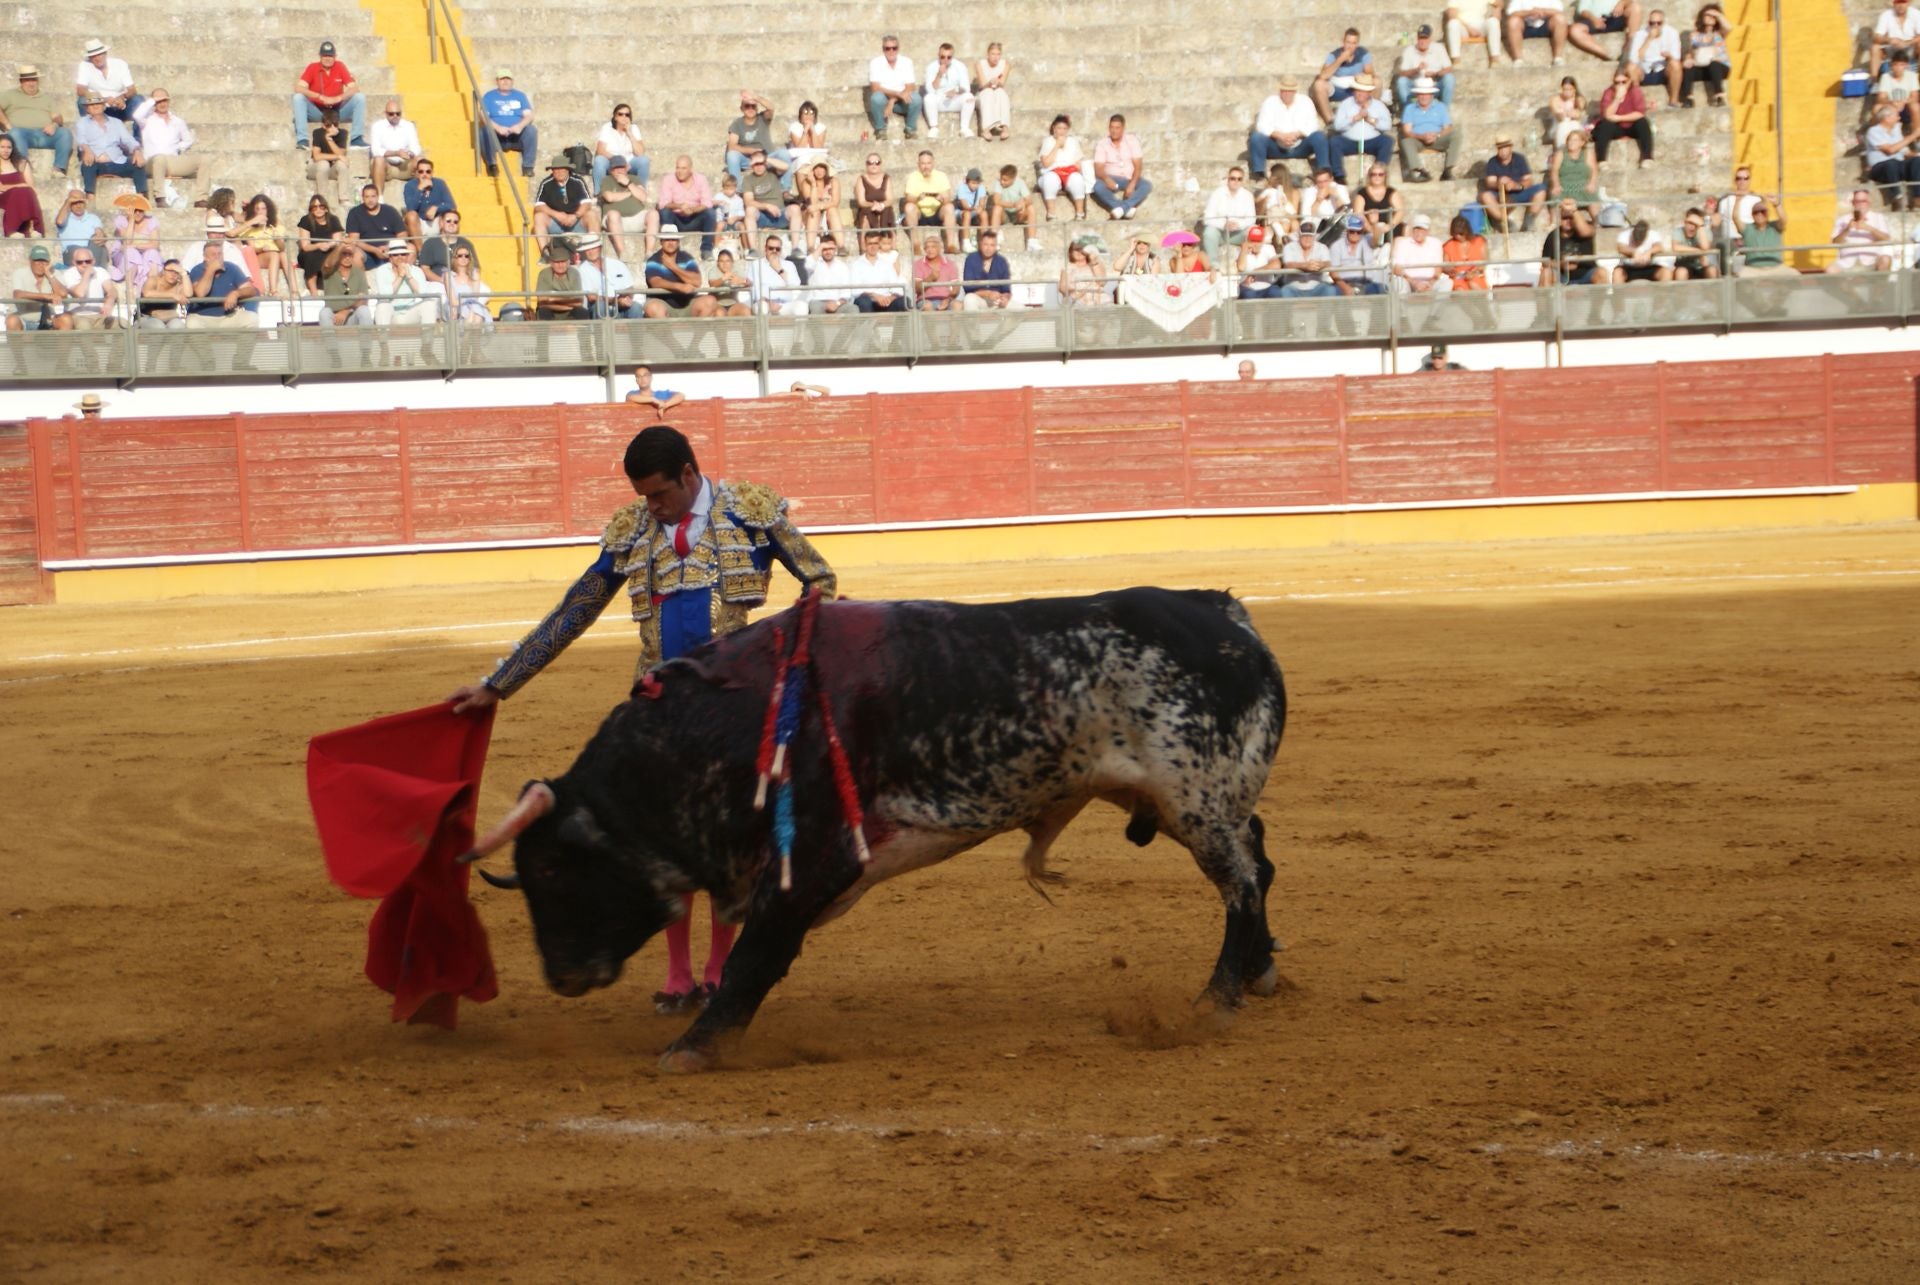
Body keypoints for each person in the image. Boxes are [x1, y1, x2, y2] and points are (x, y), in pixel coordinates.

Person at [448, 426, 837, 1016]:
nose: (650, 506)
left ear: (688, 474)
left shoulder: (750, 511)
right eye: (643, 496)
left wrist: (782, 653)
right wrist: (498, 683)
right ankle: (678, 975)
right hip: (656, 715)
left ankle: (718, 971)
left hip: (734, 711)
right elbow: (577, 608)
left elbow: (820, 582)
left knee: (726, 838)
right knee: (661, 840)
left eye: (659, 494)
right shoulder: (632, 528)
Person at [1249, 74, 1330, 177]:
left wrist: (1298, 134)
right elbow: (1261, 125)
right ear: (1280, 90)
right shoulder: (1270, 102)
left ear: (1295, 91)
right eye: (1284, 90)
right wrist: (1279, 135)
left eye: (1290, 91)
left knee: (1319, 136)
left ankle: (1324, 170)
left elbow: (1313, 124)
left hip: (1300, 145)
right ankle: (1258, 174)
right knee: (1256, 138)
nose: (1287, 93)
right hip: (1276, 146)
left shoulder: (1305, 102)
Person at [1, 66, 73, 179]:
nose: (31, 83)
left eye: (34, 80)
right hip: (21, 134)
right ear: (21, 81)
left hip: (44, 134)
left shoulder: (46, 98)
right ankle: (22, 170)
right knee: (15, 133)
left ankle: (58, 169)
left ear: (38, 81)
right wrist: (7, 124)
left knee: (65, 133)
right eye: (27, 80)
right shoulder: (10, 95)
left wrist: (54, 125)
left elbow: (58, 117)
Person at [292, 40, 364, 149]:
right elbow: (298, 88)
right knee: (298, 98)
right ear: (320, 56)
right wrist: (319, 97)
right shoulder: (312, 67)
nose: (327, 58)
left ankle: (356, 139)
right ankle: (302, 140)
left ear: (335, 57)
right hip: (318, 111)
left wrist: (337, 98)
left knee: (359, 97)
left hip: (337, 111)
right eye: (325, 55)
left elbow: (354, 88)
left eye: (330, 56)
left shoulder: (340, 66)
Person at [75, 94, 145, 197]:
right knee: (87, 164)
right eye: (92, 104)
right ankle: (90, 197)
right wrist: (87, 150)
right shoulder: (82, 123)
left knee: (138, 163)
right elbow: (81, 140)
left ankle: (141, 196)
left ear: (104, 106)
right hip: (96, 162)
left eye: (98, 103)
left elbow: (128, 140)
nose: (95, 106)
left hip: (117, 161)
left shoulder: (116, 122)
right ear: (87, 109)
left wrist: (137, 150)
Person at [139, 89, 198, 208]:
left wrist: (178, 147)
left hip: (171, 161)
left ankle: (201, 199)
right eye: (158, 101)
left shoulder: (178, 121)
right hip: (152, 162)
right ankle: (160, 197)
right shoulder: (147, 120)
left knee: (203, 161)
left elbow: (188, 140)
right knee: (160, 158)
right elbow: (137, 115)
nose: (162, 103)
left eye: (164, 100)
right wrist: (151, 101)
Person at [643, 225, 716, 318]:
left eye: (673, 240)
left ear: (678, 242)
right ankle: (666, 328)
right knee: (653, 307)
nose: (670, 243)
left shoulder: (686, 258)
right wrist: (679, 287)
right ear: (661, 242)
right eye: (667, 240)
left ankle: (697, 327)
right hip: (663, 303)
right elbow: (656, 282)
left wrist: (673, 267)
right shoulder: (653, 260)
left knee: (710, 301)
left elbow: (697, 281)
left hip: (687, 303)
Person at [1480, 133, 1548, 231]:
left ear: (1510, 147)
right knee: (1485, 196)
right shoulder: (1493, 162)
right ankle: (1504, 222)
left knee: (1541, 189)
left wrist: (1517, 185)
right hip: (1501, 194)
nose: (1502, 151)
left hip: (1519, 192)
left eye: (1505, 147)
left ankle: (1529, 222)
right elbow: (1490, 183)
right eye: (1500, 148)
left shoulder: (1519, 159)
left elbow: (1529, 180)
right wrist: (1499, 183)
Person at [478, 69, 538, 180]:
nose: (505, 82)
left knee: (531, 130)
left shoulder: (520, 96)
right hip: (496, 136)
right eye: (502, 79)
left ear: (512, 81)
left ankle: (528, 167)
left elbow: (529, 115)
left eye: (508, 79)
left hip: (516, 135)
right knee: (484, 131)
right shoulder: (489, 96)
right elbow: (483, 116)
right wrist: (498, 128)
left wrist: (519, 126)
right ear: (497, 81)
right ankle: (492, 165)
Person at [184, 239, 257, 329]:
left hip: (229, 316)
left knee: (252, 318)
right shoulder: (197, 270)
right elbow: (200, 293)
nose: (217, 257)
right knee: (192, 324)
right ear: (205, 257)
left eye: (220, 254)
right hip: (202, 317)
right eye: (213, 255)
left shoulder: (232, 268)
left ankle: (244, 340)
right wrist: (211, 270)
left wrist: (236, 293)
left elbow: (251, 290)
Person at [367, 238, 441, 325]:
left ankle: (428, 334)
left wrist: (409, 276)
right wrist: (400, 276)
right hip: (391, 312)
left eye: (403, 254)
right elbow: (385, 295)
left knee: (429, 303)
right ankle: (383, 334)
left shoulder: (416, 270)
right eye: (395, 255)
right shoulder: (382, 270)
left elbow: (423, 292)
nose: (400, 257)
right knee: (383, 305)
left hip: (410, 312)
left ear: (407, 256)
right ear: (390, 257)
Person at [597, 156, 657, 263]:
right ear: (611, 170)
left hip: (636, 218)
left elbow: (643, 197)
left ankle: (649, 253)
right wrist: (630, 193)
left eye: (622, 167)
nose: (619, 170)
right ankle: (622, 254)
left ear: (626, 168)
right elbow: (609, 197)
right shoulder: (606, 180)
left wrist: (629, 183)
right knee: (613, 214)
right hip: (615, 221)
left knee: (654, 214)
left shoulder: (634, 179)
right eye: (616, 168)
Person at [1090, 114, 1150, 219]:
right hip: (1112, 178)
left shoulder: (1132, 141)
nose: (1114, 131)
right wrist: (1107, 179)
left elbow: (1138, 166)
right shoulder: (1102, 144)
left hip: (1130, 177)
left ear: (1123, 128)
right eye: (1112, 127)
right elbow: (1098, 168)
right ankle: (1125, 208)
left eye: (1117, 128)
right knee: (1098, 187)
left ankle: (1121, 209)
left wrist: (1132, 184)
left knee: (1146, 185)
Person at [533, 154, 599, 249]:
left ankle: (593, 249)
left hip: (576, 221)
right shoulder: (546, 183)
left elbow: (587, 203)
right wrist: (557, 215)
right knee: (539, 216)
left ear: (568, 170)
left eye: (562, 169)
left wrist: (575, 216)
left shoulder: (578, 181)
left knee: (592, 214)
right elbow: (539, 206)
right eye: (556, 169)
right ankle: (545, 252)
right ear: (552, 171)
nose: (559, 172)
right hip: (556, 223)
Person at [1397, 78, 1457, 182]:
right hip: (1418, 140)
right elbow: (1407, 131)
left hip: (1437, 138)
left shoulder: (1440, 107)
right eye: (1421, 94)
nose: (1424, 97)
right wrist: (1421, 136)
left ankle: (1448, 169)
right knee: (1406, 141)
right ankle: (1418, 170)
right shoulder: (1410, 109)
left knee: (1456, 134)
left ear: (1431, 95)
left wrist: (1437, 135)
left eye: (1426, 94)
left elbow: (1448, 127)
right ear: (1417, 95)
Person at [1592, 70, 1654, 168]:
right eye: (1617, 82)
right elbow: (1607, 115)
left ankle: (1647, 157)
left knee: (1643, 123)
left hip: (1631, 125)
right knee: (1605, 125)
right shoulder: (1608, 92)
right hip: (1615, 127)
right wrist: (1617, 99)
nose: (1620, 85)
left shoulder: (1635, 91)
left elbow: (1639, 113)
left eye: (1623, 82)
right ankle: (1601, 160)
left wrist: (1619, 118)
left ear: (1629, 81)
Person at [657, 154, 716, 257]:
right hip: (676, 219)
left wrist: (693, 210)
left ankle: (706, 249)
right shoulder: (668, 179)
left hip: (695, 217)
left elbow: (707, 203)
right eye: (678, 168)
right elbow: (663, 203)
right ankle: (670, 251)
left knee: (710, 213)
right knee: (665, 212)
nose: (680, 171)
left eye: (683, 168)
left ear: (690, 169)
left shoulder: (701, 179)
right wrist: (679, 206)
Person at [1331, 77, 1394, 174]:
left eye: (1363, 91)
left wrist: (1370, 120)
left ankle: (1379, 171)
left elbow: (1387, 126)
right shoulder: (1345, 104)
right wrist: (1354, 119)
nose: (1359, 93)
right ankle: (1338, 174)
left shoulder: (1379, 105)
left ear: (1369, 93)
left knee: (1387, 141)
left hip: (1372, 141)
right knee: (1334, 141)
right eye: (1357, 90)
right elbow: (1337, 126)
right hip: (1350, 141)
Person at [73, 37, 143, 123]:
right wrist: (103, 99)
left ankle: (138, 129)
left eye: (99, 54)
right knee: (82, 100)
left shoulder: (120, 64)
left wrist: (121, 97)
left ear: (105, 53)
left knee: (138, 100)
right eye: (94, 56)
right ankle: (90, 126)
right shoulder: (85, 66)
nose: (97, 58)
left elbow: (132, 90)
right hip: (100, 105)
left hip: (121, 105)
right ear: (90, 58)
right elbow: (80, 91)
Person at [236, 193, 292, 299]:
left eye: (263, 208)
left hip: (276, 256)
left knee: (283, 255)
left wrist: (277, 239)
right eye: (257, 209)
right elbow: (252, 249)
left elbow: (282, 248)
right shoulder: (250, 228)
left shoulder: (275, 226)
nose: (261, 212)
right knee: (274, 254)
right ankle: (273, 291)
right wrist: (261, 249)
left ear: (268, 210)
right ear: (254, 210)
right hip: (259, 256)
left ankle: (294, 291)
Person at [724, 93, 789, 184]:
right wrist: (751, 151)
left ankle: (785, 188)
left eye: (753, 106)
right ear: (742, 109)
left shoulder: (763, 118)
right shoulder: (737, 124)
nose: (750, 109)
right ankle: (736, 188)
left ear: (757, 108)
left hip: (767, 157)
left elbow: (771, 108)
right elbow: (732, 146)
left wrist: (755, 97)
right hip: (748, 160)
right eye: (747, 106)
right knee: (732, 155)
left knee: (784, 153)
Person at [1312, 28, 1376, 121]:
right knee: (1319, 84)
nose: (1350, 46)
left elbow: (1371, 74)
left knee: (1377, 81)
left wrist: (1362, 75)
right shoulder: (1334, 55)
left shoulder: (1363, 53)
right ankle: (1330, 120)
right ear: (1343, 42)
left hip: (1356, 89)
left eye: (1353, 43)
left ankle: (1369, 115)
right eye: (1348, 42)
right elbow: (1323, 76)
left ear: (1357, 44)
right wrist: (1340, 59)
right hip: (1337, 89)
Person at [1865, 104, 1920, 209]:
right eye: (1896, 115)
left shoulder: (1896, 131)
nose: (1899, 118)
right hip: (1880, 168)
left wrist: (1917, 155)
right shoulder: (1873, 131)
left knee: (1917, 161)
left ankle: (1918, 197)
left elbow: (1905, 152)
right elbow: (1889, 150)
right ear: (1887, 118)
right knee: (1891, 163)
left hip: (1897, 165)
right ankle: (1897, 197)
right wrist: (1913, 135)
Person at [866, 35, 921, 140]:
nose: (891, 51)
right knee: (876, 98)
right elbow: (875, 88)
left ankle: (910, 129)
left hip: (901, 100)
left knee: (916, 98)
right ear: (883, 49)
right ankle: (880, 129)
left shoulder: (906, 62)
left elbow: (910, 86)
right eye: (887, 48)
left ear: (898, 49)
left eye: (894, 48)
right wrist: (896, 94)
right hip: (884, 101)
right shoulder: (876, 63)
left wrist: (892, 100)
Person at [1626, 10, 1683, 106]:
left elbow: (1676, 56)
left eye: (1659, 23)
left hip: (1663, 69)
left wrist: (1668, 56)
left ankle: (1673, 100)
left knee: (1675, 65)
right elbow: (1634, 59)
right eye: (1652, 23)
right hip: (1644, 70)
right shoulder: (1640, 34)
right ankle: (1637, 100)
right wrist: (1649, 39)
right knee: (1630, 68)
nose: (1655, 26)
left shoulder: (1672, 33)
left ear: (1663, 23)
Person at [1036, 115, 1088, 220]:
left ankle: (1080, 213)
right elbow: (1046, 163)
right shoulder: (1048, 141)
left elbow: (1078, 162)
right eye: (1059, 128)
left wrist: (1076, 168)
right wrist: (1057, 145)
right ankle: (1051, 213)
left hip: (1069, 171)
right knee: (1050, 180)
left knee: (1077, 179)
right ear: (1054, 128)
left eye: (1064, 128)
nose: (1062, 131)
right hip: (1052, 171)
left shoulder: (1073, 141)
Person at [903, 149, 958, 248]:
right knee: (909, 207)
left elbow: (948, 198)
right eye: (923, 163)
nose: (926, 166)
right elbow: (909, 198)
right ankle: (915, 244)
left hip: (937, 212)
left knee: (949, 207)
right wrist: (917, 198)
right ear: (918, 164)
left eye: (928, 163)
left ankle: (951, 245)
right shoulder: (913, 177)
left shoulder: (941, 176)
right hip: (919, 213)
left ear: (933, 163)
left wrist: (942, 198)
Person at [6, 244, 69, 332]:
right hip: (26, 320)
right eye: (37, 260)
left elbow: (63, 293)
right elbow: (17, 294)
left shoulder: (54, 273)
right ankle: (19, 341)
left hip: (51, 319)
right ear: (30, 260)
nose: (41, 264)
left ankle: (62, 341)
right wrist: (47, 296)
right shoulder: (20, 273)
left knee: (66, 319)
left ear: (49, 262)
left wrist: (49, 274)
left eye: (44, 261)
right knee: (11, 320)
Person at [109, 195, 162, 297]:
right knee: (131, 253)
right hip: (124, 256)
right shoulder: (121, 220)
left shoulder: (151, 221)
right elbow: (127, 241)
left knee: (153, 253)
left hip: (144, 253)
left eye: (140, 210)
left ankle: (152, 288)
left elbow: (155, 244)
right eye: (134, 210)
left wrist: (136, 245)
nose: (137, 213)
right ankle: (129, 291)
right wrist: (131, 220)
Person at [1201, 166, 1257, 260]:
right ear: (1228, 179)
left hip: (1239, 232)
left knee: (1255, 231)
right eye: (1233, 178)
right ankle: (1214, 265)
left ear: (1242, 181)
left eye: (1239, 179)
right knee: (1209, 232)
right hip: (1221, 233)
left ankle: (1251, 264)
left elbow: (1252, 218)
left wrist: (1238, 225)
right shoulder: (1217, 194)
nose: (1236, 181)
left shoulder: (1247, 195)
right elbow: (1207, 218)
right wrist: (1224, 225)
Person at [1539, 198, 1600, 283]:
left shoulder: (1587, 228)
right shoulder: (1552, 236)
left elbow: (1585, 231)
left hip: (1586, 274)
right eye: (1565, 218)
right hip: (1561, 277)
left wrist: (1573, 210)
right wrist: (1561, 264)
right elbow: (1545, 262)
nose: (1568, 221)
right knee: (1546, 272)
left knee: (1601, 272)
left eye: (1571, 218)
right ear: (1560, 219)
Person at [55, 244, 115, 328]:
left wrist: (110, 300)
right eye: (79, 262)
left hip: (100, 315)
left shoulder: (101, 271)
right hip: (78, 316)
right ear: (74, 263)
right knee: (84, 326)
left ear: (93, 261)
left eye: (88, 261)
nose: (84, 264)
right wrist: (86, 274)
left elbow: (111, 289)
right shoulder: (68, 274)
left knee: (122, 324)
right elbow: (80, 294)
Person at [1831, 188, 1894, 270]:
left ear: (1869, 203)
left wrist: (1869, 229)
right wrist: (1847, 230)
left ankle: (1881, 279)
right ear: (1853, 203)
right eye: (1857, 201)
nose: (1860, 204)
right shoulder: (1843, 219)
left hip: (1871, 260)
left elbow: (1886, 238)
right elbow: (1835, 242)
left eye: (1863, 201)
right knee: (1830, 269)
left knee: (1885, 259)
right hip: (1847, 261)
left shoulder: (1878, 217)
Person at [922, 43, 975, 139]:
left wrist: (956, 91)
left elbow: (966, 87)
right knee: (928, 98)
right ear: (938, 56)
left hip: (955, 99)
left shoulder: (960, 66)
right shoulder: (931, 67)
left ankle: (965, 128)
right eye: (942, 57)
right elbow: (930, 90)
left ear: (952, 57)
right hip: (939, 99)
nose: (945, 59)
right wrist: (939, 75)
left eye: (949, 57)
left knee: (969, 97)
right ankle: (934, 128)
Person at [1681, 8, 1731, 107]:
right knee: (1688, 67)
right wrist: (1688, 59)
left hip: (1719, 67)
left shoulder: (1719, 33)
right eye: (1707, 15)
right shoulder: (1694, 35)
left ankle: (1720, 96)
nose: (1710, 17)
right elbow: (1690, 51)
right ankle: (1688, 98)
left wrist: (1717, 14)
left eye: (1713, 16)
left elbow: (1728, 28)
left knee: (1714, 64)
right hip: (1702, 66)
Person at [344, 182, 405, 263]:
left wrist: (389, 247)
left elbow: (402, 235)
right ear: (362, 198)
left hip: (391, 250)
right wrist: (375, 250)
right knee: (356, 254)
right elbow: (354, 239)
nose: (370, 200)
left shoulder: (390, 211)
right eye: (367, 197)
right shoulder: (354, 213)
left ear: (378, 197)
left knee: (411, 248)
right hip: (367, 252)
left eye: (373, 196)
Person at [1395, 24, 1456, 105]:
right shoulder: (1409, 51)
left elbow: (1449, 68)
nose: (1422, 41)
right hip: (1416, 86)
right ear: (1417, 38)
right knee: (1401, 81)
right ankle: (1408, 109)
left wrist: (1436, 74)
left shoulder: (1439, 48)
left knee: (1449, 78)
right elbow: (1402, 73)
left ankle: (1444, 109)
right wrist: (1416, 70)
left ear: (1430, 39)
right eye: (1421, 38)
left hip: (1434, 85)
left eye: (1425, 38)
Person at [851, 228, 909, 311]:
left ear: (879, 244)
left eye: (875, 243)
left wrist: (890, 298)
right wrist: (875, 296)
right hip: (868, 300)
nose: (873, 247)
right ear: (865, 245)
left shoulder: (887, 264)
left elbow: (896, 286)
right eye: (870, 243)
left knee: (904, 301)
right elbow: (856, 291)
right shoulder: (856, 265)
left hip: (886, 301)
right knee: (864, 301)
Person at [296, 194, 345, 292]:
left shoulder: (333, 219)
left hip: (329, 249)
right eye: (314, 207)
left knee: (339, 254)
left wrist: (328, 245)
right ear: (311, 209)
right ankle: (314, 292)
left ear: (326, 208)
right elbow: (305, 246)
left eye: (321, 206)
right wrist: (319, 245)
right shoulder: (305, 220)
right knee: (310, 257)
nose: (318, 209)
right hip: (311, 250)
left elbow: (337, 240)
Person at [594, 103, 650, 189]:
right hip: (611, 162)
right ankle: (598, 192)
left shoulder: (634, 128)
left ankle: (641, 190)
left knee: (644, 161)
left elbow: (640, 153)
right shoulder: (607, 128)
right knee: (599, 160)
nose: (624, 117)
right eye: (620, 114)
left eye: (627, 115)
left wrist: (629, 133)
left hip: (629, 164)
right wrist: (619, 160)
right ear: (615, 117)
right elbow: (600, 150)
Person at [1390, 214, 1450, 293]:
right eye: (1416, 229)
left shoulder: (1436, 243)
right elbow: (1397, 269)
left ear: (1428, 231)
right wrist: (1414, 283)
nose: (1419, 233)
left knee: (1447, 283)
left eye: (1422, 230)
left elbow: (1438, 270)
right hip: (1408, 281)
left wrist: (1429, 284)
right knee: (1398, 283)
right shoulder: (1402, 243)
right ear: (1412, 230)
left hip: (1430, 282)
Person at [750, 232, 806, 315]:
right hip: (764, 302)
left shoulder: (789, 265)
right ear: (765, 249)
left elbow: (795, 286)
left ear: (781, 250)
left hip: (784, 304)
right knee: (762, 307)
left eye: (777, 249)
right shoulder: (756, 264)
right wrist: (766, 301)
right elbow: (754, 287)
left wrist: (779, 270)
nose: (774, 251)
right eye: (771, 248)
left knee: (802, 306)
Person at [532, 240, 589, 321]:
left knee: (582, 312)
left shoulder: (574, 273)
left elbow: (579, 302)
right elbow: (542, 302)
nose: (560, 265)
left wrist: (552, 299)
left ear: (568, 262)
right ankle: (547, 330)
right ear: (551, 263)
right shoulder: (544, 274)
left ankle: (579, 330)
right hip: (550, 311)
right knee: (543, 312)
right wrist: (569, 301)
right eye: (557, 262)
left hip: (570, 312)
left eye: (563, 261)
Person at [0, 134, 44, 236]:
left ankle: (33, 228)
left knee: (28, 192)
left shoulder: (21, 163)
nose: (6, 150)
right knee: (19, 191)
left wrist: (21, 187)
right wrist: (19, 185)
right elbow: (1, 187)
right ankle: (12, 230)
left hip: (22, 194)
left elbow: (30, 185)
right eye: (2, 147)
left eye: (9, 147)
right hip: (3, 197)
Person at [1734, 199, 1793, 275]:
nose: (1760, 214)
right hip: (1752, 268)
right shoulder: (1747, 228)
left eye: (1763, 212)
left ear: (1768, 214)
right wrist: (1738, 200)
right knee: (1739, 278)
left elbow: (1783, 220)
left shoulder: (1775, 226)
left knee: (1796, 276)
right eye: (1756, 212)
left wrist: (1776, 204)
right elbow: (1735, 218)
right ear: (1752, 215)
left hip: (1776, 267)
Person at [1568, 0, 1642, 60]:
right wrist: (1594, 19)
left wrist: (1621, 3)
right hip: (1595, 19)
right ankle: (1607, 55)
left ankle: (1630, 46)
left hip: (1615, 17)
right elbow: (1583, 10)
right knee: (1575, 30)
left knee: (1635, 7)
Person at [320, 242, 372, 327]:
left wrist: (345, 311)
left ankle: (367, 336)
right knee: (324, 313)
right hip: (333, 315)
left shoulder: (359, 273)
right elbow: (327, 264)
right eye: (344, 254)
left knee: (364, 310)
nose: (347, 257)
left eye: (350, 254)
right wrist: (340, 247)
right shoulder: (329, 271)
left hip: (352, 315)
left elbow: (363, 299)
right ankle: (329, 336)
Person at [1328, 214, 1383, 294]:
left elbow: (1376, 240)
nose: (1355, 234)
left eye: (1358, 232)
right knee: (1331, 291)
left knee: (1381, 288)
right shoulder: (1337, 246)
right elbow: (1333, 273)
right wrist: (1345, 288)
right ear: (1347, 231)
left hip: (1365, 283)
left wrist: (1374, 224)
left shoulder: (1367, 241)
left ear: (1362, 232)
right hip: (1344, 283)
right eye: (1352, 231)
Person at [989, 163, 1040, 249]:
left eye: (1005, 180)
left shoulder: (1020, 183)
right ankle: (994, 238)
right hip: (1004, 215)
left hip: (1017, 214)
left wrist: (1022, 204)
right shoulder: (998, 183)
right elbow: (996, 200)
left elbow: (1029, 199)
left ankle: (1032, 241)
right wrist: (1013, 205)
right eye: (1001, 179)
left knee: (1030, 208)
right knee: (997, 208)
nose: (1002, 182)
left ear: (1013, 179)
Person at [419, 209, 477, 284]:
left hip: (462, 283)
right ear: (441, 223)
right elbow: (425, 269)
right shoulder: (430, 243)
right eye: (448, 221)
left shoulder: (466, 244)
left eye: (455, 222)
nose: (452, 224)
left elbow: (475, 268)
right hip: (437, 284)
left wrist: (464, 281)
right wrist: (442, 281)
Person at [1279, 223, 1338, 297]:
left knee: (1330, 290)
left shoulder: (1322, 247)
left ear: (1314, 236)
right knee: (1285, 291)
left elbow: (1327, 262)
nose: (1307, 238)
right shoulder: (1289, 247)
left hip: (1317, 287)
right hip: (1294, 288)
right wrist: (1304, 266)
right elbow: (1288, 264)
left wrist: (1320, 264)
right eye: (1304, 236)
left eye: (1310, 236)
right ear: (1299, 236)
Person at [1610, 214, 1673, 282]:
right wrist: (1633, 252)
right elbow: (1621, 247)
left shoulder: (1653, 234)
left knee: (1666, 272)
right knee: (1617, 272)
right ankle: (1618, 289)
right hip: (1629, 267)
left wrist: (1649, 252)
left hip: (1650, 266)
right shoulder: (1624, 235)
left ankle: (1665, 289)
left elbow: (1658, 247)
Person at [1504, 0, 1571, 64]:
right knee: (1513, 21)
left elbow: (1559, 11)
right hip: (1525, 25)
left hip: (1546, 25)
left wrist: (1542, 11)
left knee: (1560, 19)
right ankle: (1518, 60)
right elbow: (1511, 12)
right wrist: (1530, 12)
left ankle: (1558, 57)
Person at [805, 233, 856, 316]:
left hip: (837, 303)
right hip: (818, 301)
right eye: (825, 249)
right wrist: (820, 247)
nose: (828, 252)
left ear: (835, 249)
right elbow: (808, 265)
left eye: (831, 249)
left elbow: (846, 293)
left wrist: (837, 303)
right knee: (816, 309)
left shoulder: (842, 267)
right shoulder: (815, 263)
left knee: (853, 309)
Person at [1353, 163, 1404, 245]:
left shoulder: (1392, 192)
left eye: (1380, 174)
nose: (1377, 177)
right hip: (1369, 227)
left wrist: (1389, 226)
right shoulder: (1362, 193)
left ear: (1385, 176)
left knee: (1406, 229)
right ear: (1369, 176)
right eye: (1374, 174)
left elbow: (1400, 211)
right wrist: (1370, 229)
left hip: (1389, 226)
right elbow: (1359, 214)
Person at [795, 160, 842, 250]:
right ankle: (810, 247)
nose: (819, 171)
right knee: (815, 212)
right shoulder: (806, 183)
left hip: (826, 212)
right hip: (809, 213)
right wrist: (813, 185)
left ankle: (841, 246)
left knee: (833, 210)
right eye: (816, 168)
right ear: (812, 170)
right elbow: (812, 204)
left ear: (826, 169)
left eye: (822, 168)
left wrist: (820, 206)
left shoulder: (834, 181)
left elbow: (835, 202)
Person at [961, 229, 1013, 309]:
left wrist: (1005, 298)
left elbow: (1006, 289)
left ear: (996, 247)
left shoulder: (1002, 261)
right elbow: (968, 287)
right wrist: (987, 294)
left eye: (992, 245)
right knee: (969, 299)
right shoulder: (971, 259)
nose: (988, 248)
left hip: (997, 300)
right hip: (978, 299)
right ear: (980, 244)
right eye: (986, 244)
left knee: (1020, 308)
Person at [443, 244, 493, 324]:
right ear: (454, 258)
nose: (463, 258)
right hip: (454, 307)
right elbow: (453, 301)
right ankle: (470, 330)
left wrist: (470, 305)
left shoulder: (474, 274)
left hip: (471, 305)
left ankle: (471, 330)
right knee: (473, 311)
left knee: (475, 311)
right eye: (460, 256)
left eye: (466, 256)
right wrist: (468, 302)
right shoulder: (448, 275)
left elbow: (475, 296)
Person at [1550, 126, 1599, 207]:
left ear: (1582, 143)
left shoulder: (1587, 153)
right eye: (1569, 140)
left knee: (1593, 201)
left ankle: (1597, 215)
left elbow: (1594, 169)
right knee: (1556, 201)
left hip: (1583, 185)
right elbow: (1554, 170)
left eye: (1575, 140)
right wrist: (1556, 185)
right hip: (1564, 186)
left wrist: (1592, 183)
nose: (1571, 142)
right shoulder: (1561, 153)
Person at [1441, 213, 1491, 292]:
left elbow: (1484, 262)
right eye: (1455, 234)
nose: (1458, 236)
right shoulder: (1448, 245)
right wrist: (1450, 270)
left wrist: (1474, 272)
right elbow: (1445, 266)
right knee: (1459, 289)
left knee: (1473, 284)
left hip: (1475, 275)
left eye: (1461, 234)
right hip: (1458, 278)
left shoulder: (1479, 241)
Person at [1871, 0, 1920, 80]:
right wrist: (1889, 40)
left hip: (1910, 48)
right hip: (1892, 48)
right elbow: (1877, 37)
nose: (1901, 6)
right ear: (1893, 3)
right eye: (1898, 2)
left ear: (1908, 3)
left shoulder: (1916, 14)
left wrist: (1907, 43)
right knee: (1875, 47)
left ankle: (1918, 79)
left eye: (1903, 2)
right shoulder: (1886, 15)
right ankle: (1874, 79)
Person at [136, 257, 189, 329]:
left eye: (177, 272)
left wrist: (184, 273)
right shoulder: (153, 280)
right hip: (145, 317)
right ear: (164, 271)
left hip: (168, 317)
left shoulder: (178, 285)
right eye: (170, 271)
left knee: (178, 325)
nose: (173, 275)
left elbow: (188, 294)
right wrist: (172, 295)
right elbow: (147, 293)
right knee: (158, 326)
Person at [54, 189, 104, 266]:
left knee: (99, 247)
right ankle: (91, 269)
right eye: (75, 203)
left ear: (85, 203)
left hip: (90, 251)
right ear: (69, 203)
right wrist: (68, 202)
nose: (78, 206)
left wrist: (101, 236)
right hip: (72, 251)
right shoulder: (64, 216)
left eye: (81, 202)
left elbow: (99, 233)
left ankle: (92, 269)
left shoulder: (93, 218)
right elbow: (59, 222)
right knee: (77, 251)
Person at [308, 106, 349, 197]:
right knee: (324, 164)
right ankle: (323, 198)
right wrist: (337, 157)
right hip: (317, 168)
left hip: (332, 169)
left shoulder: (342, 133)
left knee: (342, 165)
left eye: (335, 124)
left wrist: (329, 138)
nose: (332, 128)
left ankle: (344, 199)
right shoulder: (318, 133)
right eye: (328, 125)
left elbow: (341, 154)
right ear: (323, 125)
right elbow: (316, 156)